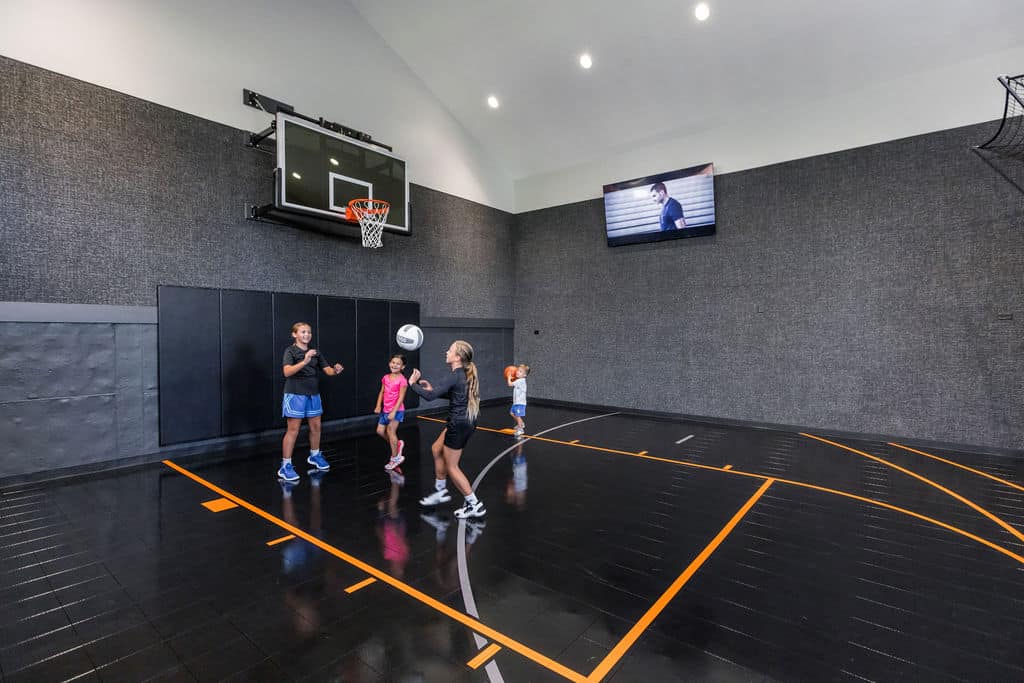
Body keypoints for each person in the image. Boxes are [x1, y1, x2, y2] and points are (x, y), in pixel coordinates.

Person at [408, 340, 485, 518]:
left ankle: (475, 504)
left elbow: (428, 397)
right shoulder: (462, 374)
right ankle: (440, 491)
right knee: (436, 448)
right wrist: (432, 389)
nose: (446, 352)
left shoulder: (455, 374)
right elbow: (453, 394)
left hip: (458, 424)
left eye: (449, 350)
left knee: (452, 467)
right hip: (464, 422)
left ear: (457, 357)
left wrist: (412, 384)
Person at [279, 322, 344, 482]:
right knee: (293, 430)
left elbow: (327, 370)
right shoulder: (290, 351)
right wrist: (304, 361)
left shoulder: (315, 352)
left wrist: (335, 370)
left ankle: (314, 456)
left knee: (316, 427)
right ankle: (285, 466)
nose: (306, 334)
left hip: (313, 395)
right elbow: (287, 372)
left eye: (308, 332)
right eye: (303, 332)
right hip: (295, 395)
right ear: (295, 334)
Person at [374, 353, 409, 471]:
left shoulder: (403, 381)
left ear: (403, 367)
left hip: (396, 410)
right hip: (385, 410)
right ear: (389, 363)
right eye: (393, 362)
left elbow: (401, 397)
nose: (394, 365)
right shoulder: (385, 377)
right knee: (379, 431)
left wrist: (394, 411)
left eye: (398, 364)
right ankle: (397, 444)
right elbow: (381, 392)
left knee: (390, 431)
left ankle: (395, 458)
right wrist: (378, 405)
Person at [507, 363, 531, 437]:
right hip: (516, 402)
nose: (517, 372)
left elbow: (510, 384)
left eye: (520, 371)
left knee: (517, 415)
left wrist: (508, 377)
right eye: (517, 370)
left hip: (520, 403)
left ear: (524, 375)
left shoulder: (520, 381)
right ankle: (521, 423)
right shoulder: (519, 380)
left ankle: (520, 430)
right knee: (512, 413)